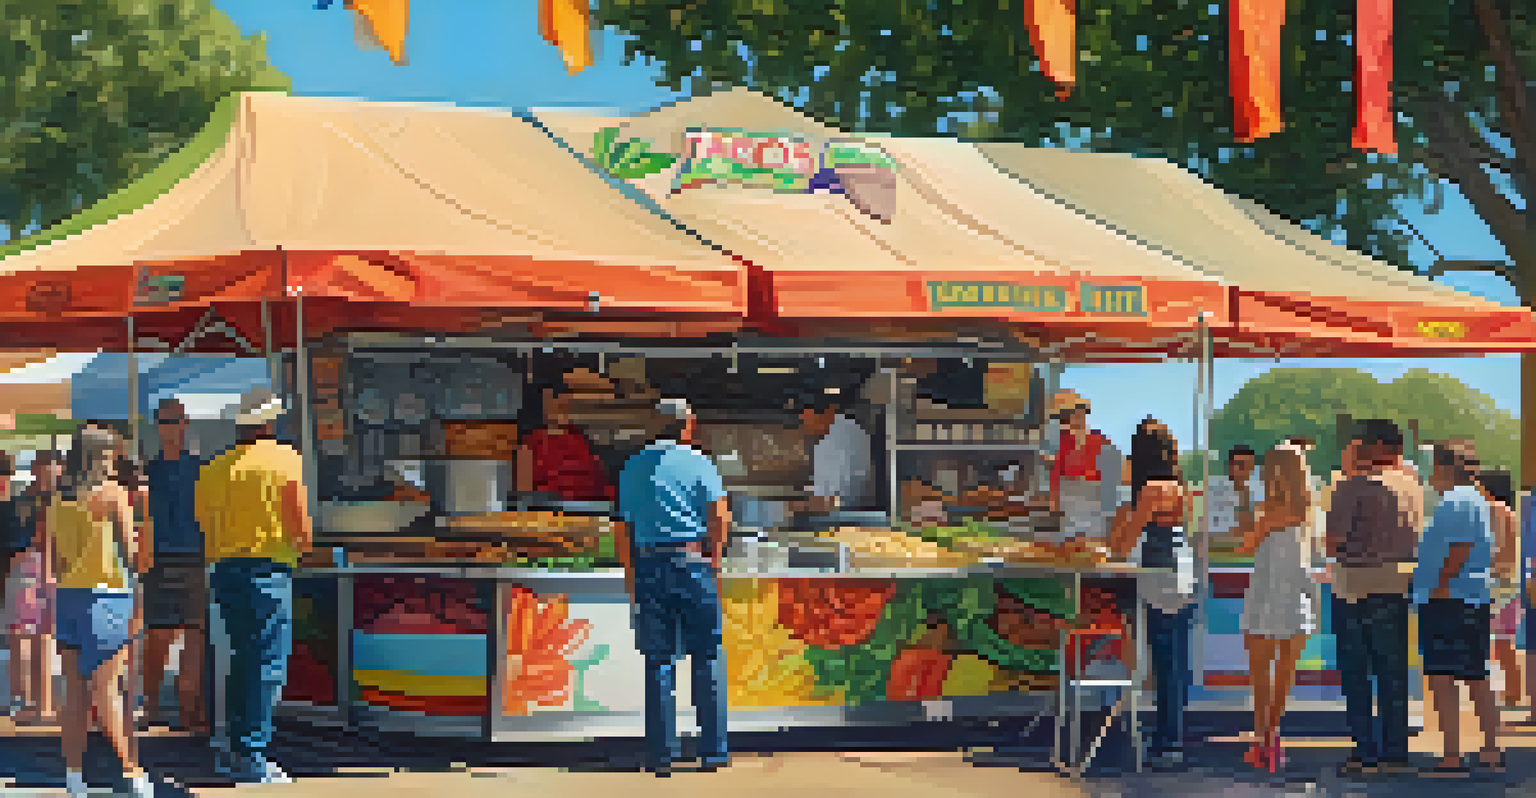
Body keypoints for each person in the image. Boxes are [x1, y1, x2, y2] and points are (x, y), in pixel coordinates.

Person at [195, 389, 312, 784]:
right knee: (266, 665)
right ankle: (252, 755)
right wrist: (305, 550)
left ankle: (233, 749)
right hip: (268, 570)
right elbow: (301, 526)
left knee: (239, 660)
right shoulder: (285, 459)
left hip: (224, 570)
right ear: (269, 423)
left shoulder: (213, 469)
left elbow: (203, 523)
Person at [615, 398, 729, 776]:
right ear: (688, 426)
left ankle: (661, 756)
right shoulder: (699, 461)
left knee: (659, 662)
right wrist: (715, 559)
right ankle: (712, 753)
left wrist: (631, 573)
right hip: (693, 565)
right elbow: (719, 516)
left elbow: (622, 529)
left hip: (649, 566)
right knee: (706, 658)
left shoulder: (632, 465)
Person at [51, 425, 153, 798]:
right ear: (98, 457)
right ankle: (132, 773)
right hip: (107, 596)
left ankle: (74, 777)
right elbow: (133, 555)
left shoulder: (58, 499)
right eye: (110, 455)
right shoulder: (113, 494)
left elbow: (57, 561)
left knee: (75, 694)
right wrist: (144, 513)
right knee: (110, 691)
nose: (114, 461)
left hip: (68, 597)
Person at [1325, 419, 1420, 776]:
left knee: (1357, 673)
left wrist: (1345, 474)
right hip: (1397, 585)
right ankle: (1396, 751)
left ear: (1375, 446)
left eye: (1358, 442)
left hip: (1355, 585)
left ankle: (1365, 751)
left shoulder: (1352, 485)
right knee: (1393, 672)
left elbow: (1332, 542)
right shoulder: (1412, 485)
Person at [1109, 417, 1195, 769]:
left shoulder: (1151, 489)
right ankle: (1171, 738)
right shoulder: (1179, 487)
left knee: (1164, 662)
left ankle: (1168, 743)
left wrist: (1124, 516)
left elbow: (1125, 542)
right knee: (1175, 661)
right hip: (1181, 573)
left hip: (1160, 576)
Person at [1414, 440, 1503, 776]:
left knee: (1443, 678)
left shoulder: (1456, 500)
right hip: (1468, 597)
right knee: (1476, 674)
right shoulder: (1473, 499)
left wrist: (1439, 584)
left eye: (1432, 466)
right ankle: (1490, 749)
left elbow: (1460, 547)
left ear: (1444, 467)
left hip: (1450, 600)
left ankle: (1452, 753)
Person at [1236, 446, 1317, 771]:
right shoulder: (1308, 511)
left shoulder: (1269, 513)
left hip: (1266, 594)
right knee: (1284, 673)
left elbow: (1246, 545)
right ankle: (1273, 737)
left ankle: (1261, 740)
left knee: (1260, 673)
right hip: (1296, 596)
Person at [141, 398, 209, 734]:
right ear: (157, 426)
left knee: (194, 637)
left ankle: (187, 711)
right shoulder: (147, 471)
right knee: (158, 638)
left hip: (195, 559)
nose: (171, 428)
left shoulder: (202, 468)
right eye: (165, 421)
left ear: (186, 423)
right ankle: (151, 706)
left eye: (176, 420)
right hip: (158, 561)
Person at [7, 450, 62, 724]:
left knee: (41, 640)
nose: (52, 472)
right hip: (28, 570)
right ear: (35, 468)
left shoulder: (60, 501)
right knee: (24, 640)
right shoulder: (21, 503)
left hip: (49, 572)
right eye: (47, 466)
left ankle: (41, 705)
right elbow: (16, 544)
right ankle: (28, 704)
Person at [516, 383, 614, 501]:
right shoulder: (529, 445)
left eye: (564, 402)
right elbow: (524, 497)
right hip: (553, 508)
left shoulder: (582, 439)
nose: (562, 405)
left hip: (593, 506)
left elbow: (601, 480)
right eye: (554, 398)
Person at [1049, 391, 1122, 543]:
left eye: (1078, 413)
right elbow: (1055, 487)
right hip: (1069, 517)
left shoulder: (1101, 443)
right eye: (1062, 417)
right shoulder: (1059, 444)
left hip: (1095, 517)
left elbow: (1110, 491)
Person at [1478, 469, 1522, 707]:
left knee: (1491, 643)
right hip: (1508, 584)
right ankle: (1513, 691)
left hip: (1493, 583)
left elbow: (1489, 548)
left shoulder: (1493, 510)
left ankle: (1501, 692)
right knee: (1505, 641)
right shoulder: (1511, 514)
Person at [798, 393, 874, 512]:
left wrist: (801, 505)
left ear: (827, 413)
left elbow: (839, 495)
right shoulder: (829, 435)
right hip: (843, 507)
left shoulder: (842, 438)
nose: (807, 429)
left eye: (810, 423)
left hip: (846, 511)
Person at [1209, 445, 1263, 551]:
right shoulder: (1217, 491)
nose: (1246, 470)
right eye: (1241, 465)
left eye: (1249, 466)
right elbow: (1214, 532)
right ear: (1231, 466)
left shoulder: (1258, 491)